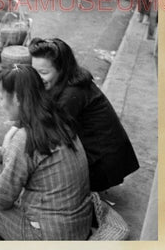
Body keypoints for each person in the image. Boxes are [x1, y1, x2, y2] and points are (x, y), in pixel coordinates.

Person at [0, 65, 93, 240]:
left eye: (1, 98)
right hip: (78, 227)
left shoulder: (24, 137)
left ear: (16, 98)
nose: (1, 105)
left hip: (48, 237)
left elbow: (0, 197)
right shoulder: (57, 119)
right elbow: (16, 156)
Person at [29, 38, 139, 191]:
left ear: (61, 69)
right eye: (34, 71)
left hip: (103, 166)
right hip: (104, 156)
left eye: (43, 72)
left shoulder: (72, 94)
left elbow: (47, 135)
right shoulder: (69, 81)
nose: (37, 78)